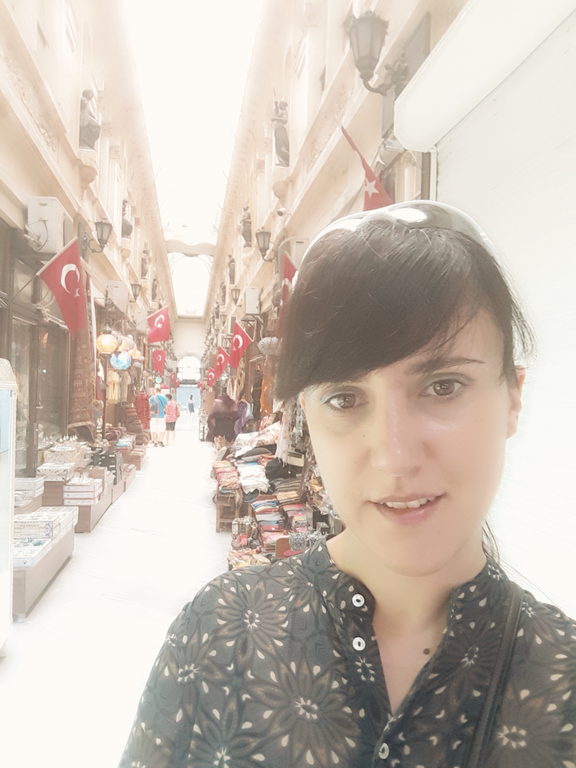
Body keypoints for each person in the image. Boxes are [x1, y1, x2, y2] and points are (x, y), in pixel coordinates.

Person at [119, 202, 576, 767]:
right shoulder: (218, 637)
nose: (394, 457)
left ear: (513, 397)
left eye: (443, 386)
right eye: (344, 399)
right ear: (307, 418)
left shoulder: (561, 681)